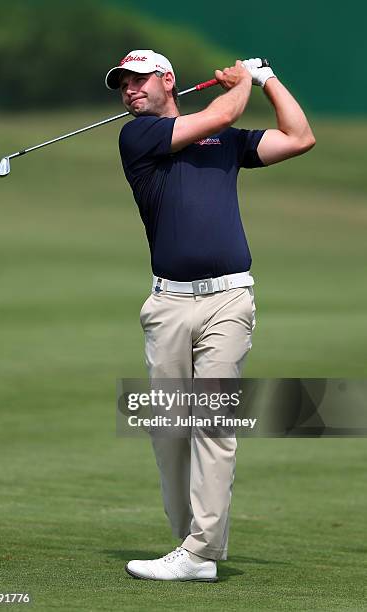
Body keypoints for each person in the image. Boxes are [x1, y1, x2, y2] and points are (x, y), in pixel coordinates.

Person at [105, 50, 315, 582]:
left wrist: (267, 79)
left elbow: (298, 137)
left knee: (213, 424)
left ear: (167, 80)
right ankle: (189, 541)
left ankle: (200, 551)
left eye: (138, 81)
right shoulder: (139, 137)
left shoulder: (225, 141)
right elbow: (221, 114)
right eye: (122, 86)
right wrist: (241, 81)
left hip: (228, 300)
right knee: (169, 427)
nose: (130, 92)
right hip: (169, 304)